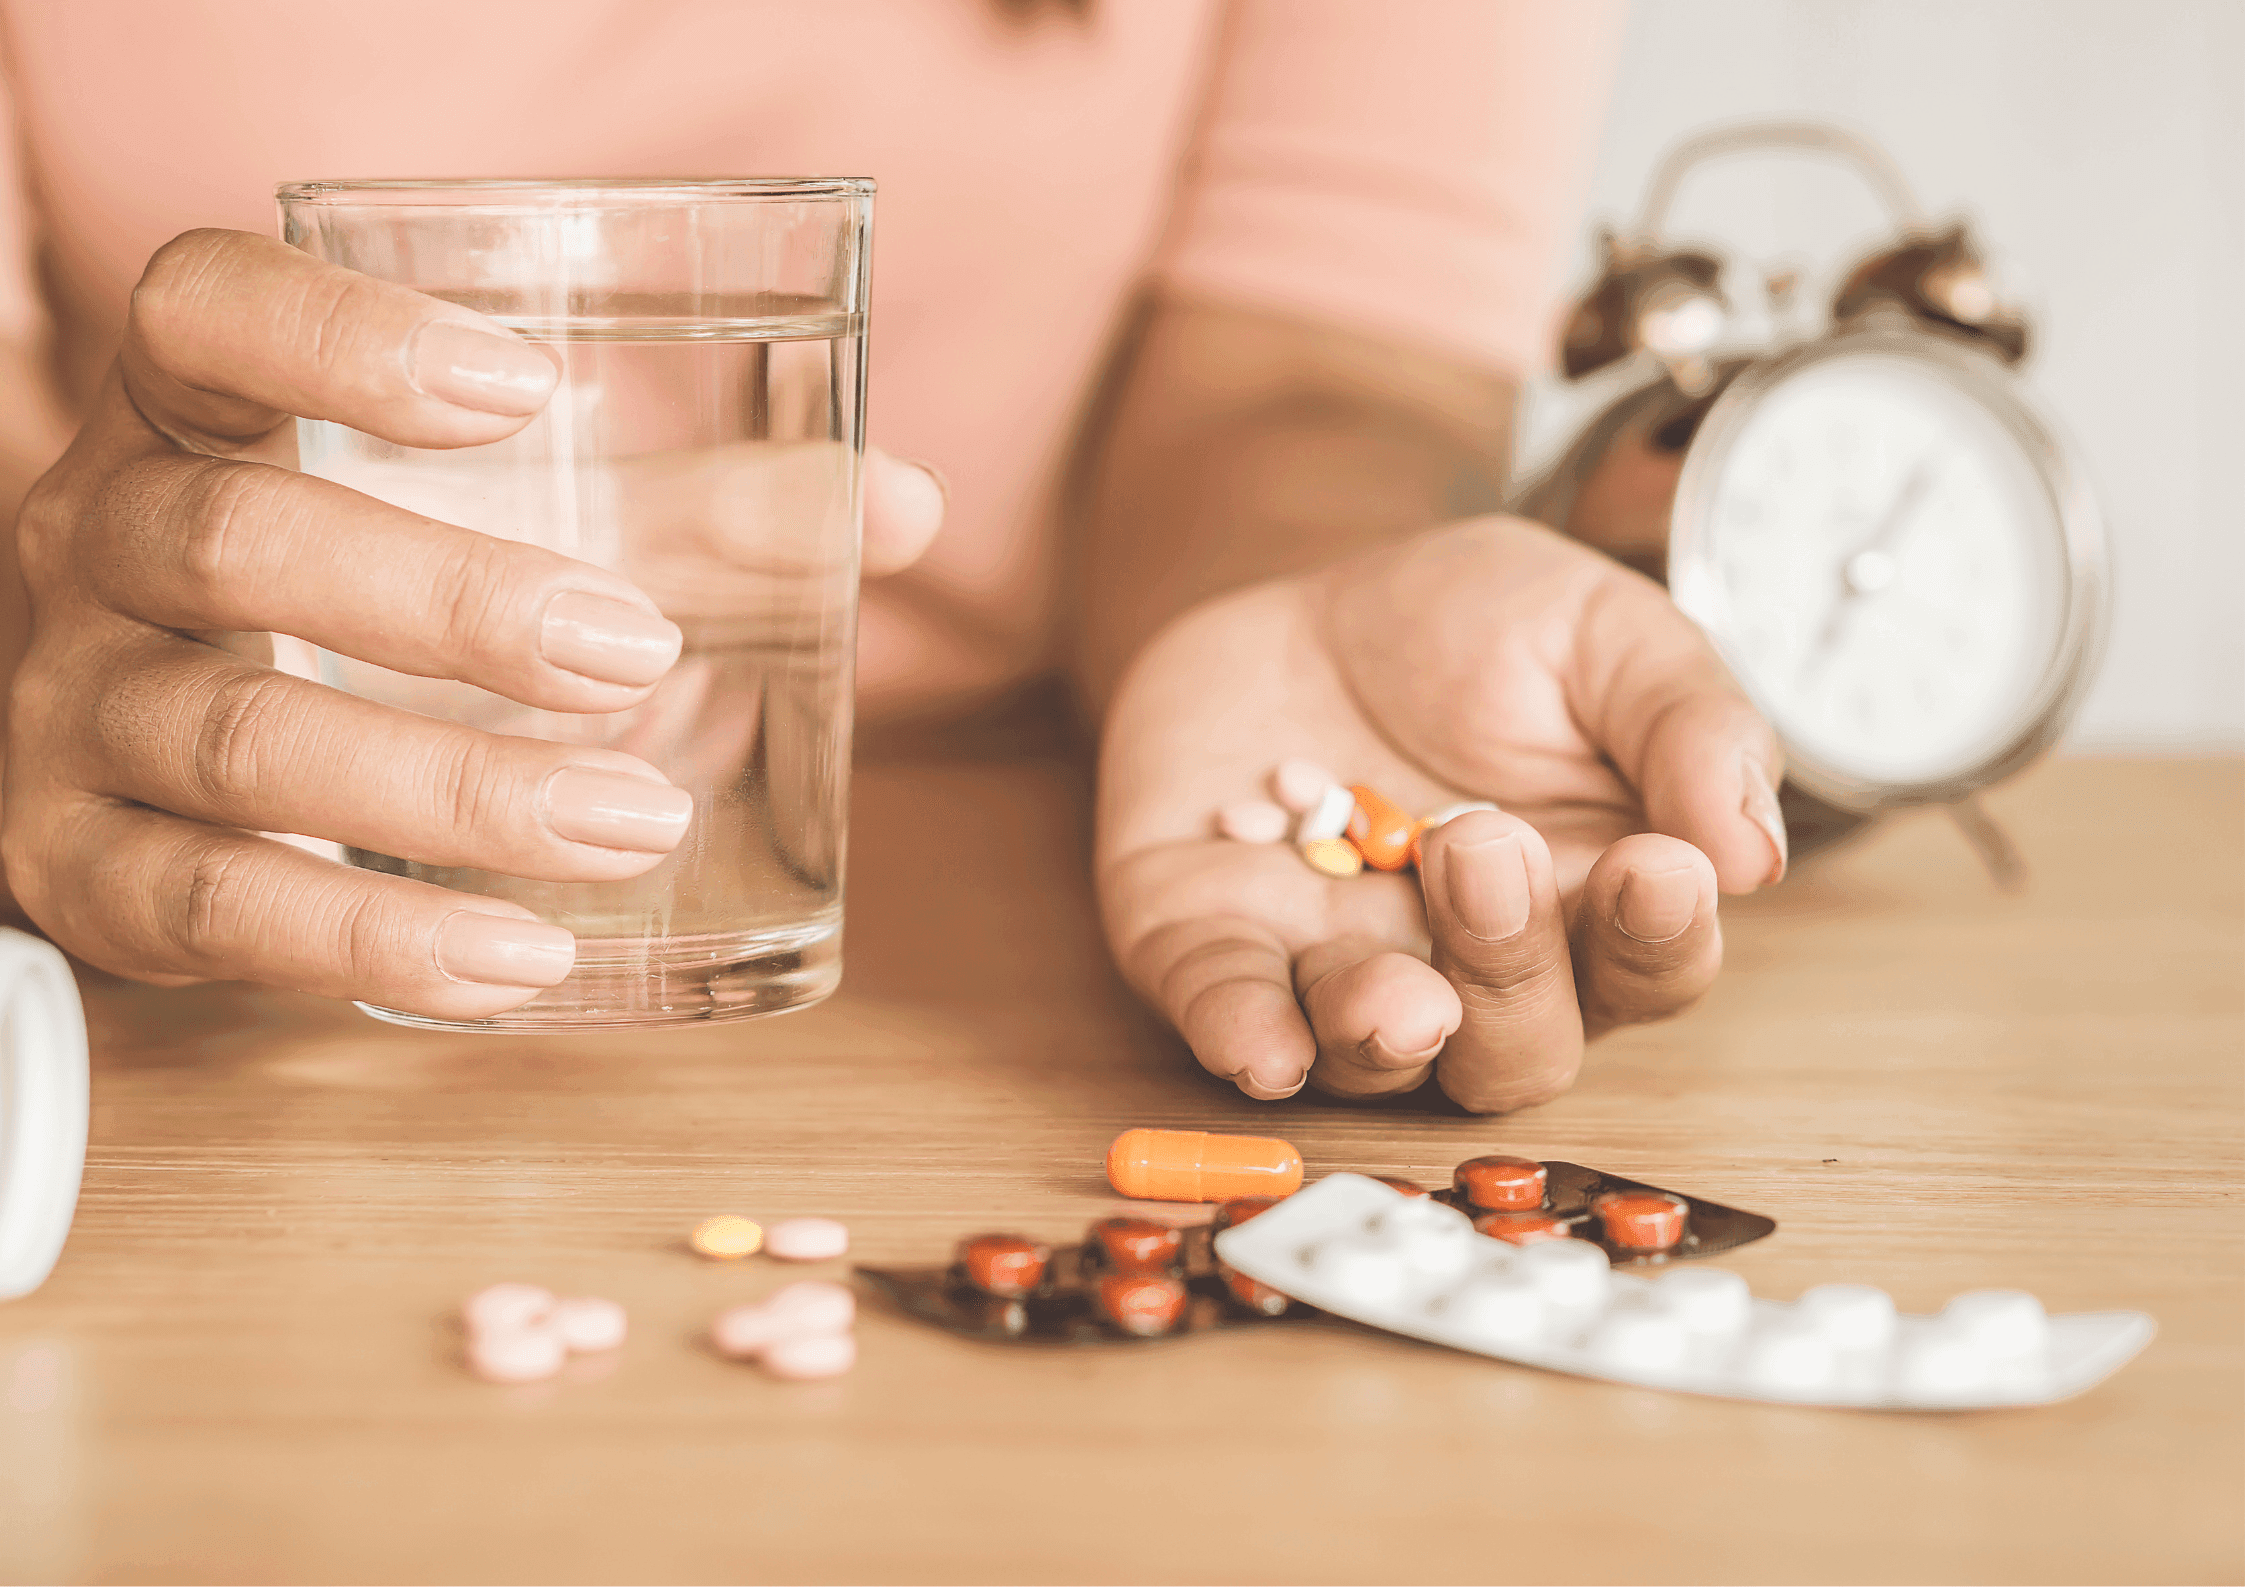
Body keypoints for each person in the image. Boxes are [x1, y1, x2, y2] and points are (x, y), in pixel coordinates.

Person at [0, 0, 1783, 1113]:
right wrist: (59, 644)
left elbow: (1314, 371)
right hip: (214, 989)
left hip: (984, 924)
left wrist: (1294, 610)